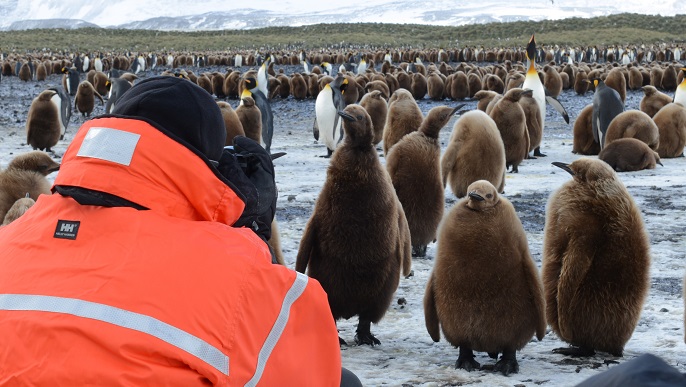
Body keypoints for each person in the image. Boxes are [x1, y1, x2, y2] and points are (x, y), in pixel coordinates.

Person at [0, 76, 346, 386]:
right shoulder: (234, 280)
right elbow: (311, 364)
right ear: (211, 166)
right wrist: (252, 240)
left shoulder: (8, 239)